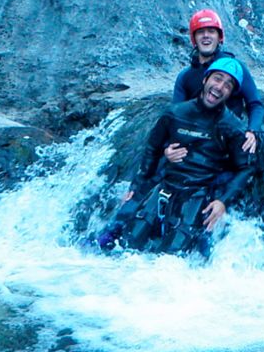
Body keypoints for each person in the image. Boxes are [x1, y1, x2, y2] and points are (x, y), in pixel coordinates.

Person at [98, 57, 255, 255]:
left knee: (174, 254)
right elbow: (152, 150)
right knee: (129, 242)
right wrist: (136, 187)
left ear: (231, 93)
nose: (220, 87)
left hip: (198, 194)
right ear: (205, 80)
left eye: (228, 85)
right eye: (217, 78)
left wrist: (223, 201)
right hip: (167, 186)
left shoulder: (232, 126)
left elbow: (245, 167)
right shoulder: (175, 114)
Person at [166, 9, 264, 165]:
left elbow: (255, 105)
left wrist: (252, 131)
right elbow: (174, 117)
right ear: (194, 39)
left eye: (211, 31)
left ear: (219, 37)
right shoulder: (185, 76)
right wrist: (169, 147)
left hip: (227, 139)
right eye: (201, 32)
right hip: (197, 140)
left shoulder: (236, 69)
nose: (206, 35)